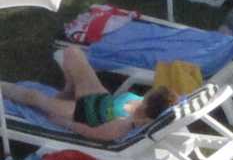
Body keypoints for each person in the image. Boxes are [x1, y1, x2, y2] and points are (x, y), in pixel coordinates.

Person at [2, 48, 177, 143]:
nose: (145, 94)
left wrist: (64, 122)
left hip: (80, 112)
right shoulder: (141, 103)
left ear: (147, 107)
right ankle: (69, 90)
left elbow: (91, 132)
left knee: (33, 96)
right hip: (99, 98)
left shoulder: (122, 125)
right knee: (73, 53)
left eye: (148, 96)